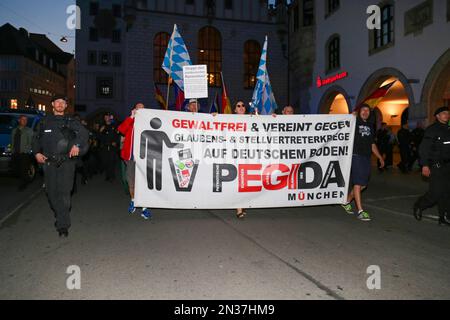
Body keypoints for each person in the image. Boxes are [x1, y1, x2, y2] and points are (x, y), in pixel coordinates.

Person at [33, 95, 89, 238]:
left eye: (62, 103)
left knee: (64, 194)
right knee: (51, 194)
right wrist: (36, 153)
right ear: (52, 104)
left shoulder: (71, 121)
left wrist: (76, 145)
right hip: (49, 163)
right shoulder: (44, 122)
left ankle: (63, 225)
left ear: (65, 106)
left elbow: (84, 134)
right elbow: (36, 139)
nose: (59, 104)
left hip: (67, 164)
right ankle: (61, 215)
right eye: (57, 102)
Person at [341, 104, 385, 222]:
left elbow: (372, 144)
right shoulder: (354, 122)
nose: (365, 112)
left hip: (366, 157)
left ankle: (346, 201)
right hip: (355, 155)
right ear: (359, 112)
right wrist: (351, 116)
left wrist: (380, 157)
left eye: (367, 110)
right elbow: (343, 123)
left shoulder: (370, 126)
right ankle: (360, 211)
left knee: (363, 185)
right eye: (363, 110)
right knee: (358, 183)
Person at [413, 106, 450, 226]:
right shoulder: (432, 129)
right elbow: (424, 148)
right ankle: (419, 205)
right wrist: (424, 165)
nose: (446, 115)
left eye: (448, 113)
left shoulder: (448, 129)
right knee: (435, 193)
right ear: (437, 116)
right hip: (436, 166)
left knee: (446, 193)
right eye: (443, 113)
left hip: (448, 166)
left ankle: (443, 217)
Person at [118, 103, 154, 220]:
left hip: (145, 158)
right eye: (138, 107)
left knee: (144, 182)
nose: (140, 109)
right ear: (134, 109)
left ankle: (144, 207)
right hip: (131, 157)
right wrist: (131, 116)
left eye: (143, 107)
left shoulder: (149, 121)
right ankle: (133, 200)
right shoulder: (131, 121)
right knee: (131, 181)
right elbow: (121, 129)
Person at [11, 115, 34, 191]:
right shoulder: (14, 130)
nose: (25, 121)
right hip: (15, 153)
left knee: (23, 170)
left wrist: (27, 150)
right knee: (16, 170)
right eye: (23, 119)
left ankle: (22, 185)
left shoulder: (29, 130)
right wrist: (12, 150)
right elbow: (12, 141)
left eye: (26, 120)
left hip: (24, 153)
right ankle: (26, 179)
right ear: (19, 120)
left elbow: (31, 142)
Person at [99, 113, 120, 182]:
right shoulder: (102, 126)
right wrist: (100, 131)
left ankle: (112, 176)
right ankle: (107, 175)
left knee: (112, 161)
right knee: (105, 161)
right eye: (105, 117)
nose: (106, 118)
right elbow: (99, 136)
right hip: (104, 146)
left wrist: (116, 142)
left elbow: (117, 135)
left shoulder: (114, 125)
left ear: (109, 118)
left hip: (112, 146)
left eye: (107, 117)